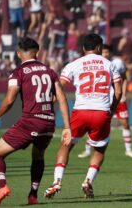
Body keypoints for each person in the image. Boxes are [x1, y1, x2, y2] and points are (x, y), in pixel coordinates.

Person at [0, 37, 71, 206]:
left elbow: (10, 100)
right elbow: (61, 98)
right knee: (38, 157)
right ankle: (33, 195)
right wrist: (67, 127)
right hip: (49, 123)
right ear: (37, 52)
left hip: (30, 122)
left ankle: (2, 187)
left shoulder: (18, 72)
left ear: (19, 54)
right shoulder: (50, 71)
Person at [44, 34, 122, 199]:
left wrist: (49, 103)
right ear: (99, 47)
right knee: (99, 150)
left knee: (65, 146)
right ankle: (88, 181)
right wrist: (112, 110)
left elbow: (60, 87)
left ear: (83, 48)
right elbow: (119, 91)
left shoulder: (73, 64)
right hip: (101, 112)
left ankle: (57, 181)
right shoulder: (109, 64)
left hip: (80, 112)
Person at [78, 44, 132, 158]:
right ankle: (87, 150)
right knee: (95, 125)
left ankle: (129, 150)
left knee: (125, 123)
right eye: (104, 52)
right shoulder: (97, 64)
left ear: (110, 53)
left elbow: (124, 78)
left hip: (118, 98)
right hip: (103, 99)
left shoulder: (117, 63)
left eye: (107, 52)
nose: (105, 54)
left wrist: (124, 94)